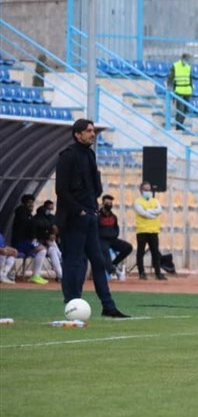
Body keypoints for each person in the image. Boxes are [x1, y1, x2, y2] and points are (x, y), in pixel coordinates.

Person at [55, 119, 129, 317]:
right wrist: (78, 210)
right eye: (88, 131)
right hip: (73, 218)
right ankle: (72, 304)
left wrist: (92, 207)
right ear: (77, 134)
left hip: (90, 217)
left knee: (98, 261)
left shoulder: (90, 155)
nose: (93, 134)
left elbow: (94, 189)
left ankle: (108, 306)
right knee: (74, 262)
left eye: (93, 130)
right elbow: (61, 190)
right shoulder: (67, 156)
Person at [11, 194, 49, 284]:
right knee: (42, 250)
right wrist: (33, 238)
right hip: (20, 242)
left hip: (26, 242)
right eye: (29, 203)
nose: (31, 205)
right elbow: (28, 227)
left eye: (32, 203)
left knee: (43, 249)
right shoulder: (21, 213)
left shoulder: (28, 214)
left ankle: (36, 275)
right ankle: (35, 275)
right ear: (24, 203)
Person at [133, 181, 167, 280]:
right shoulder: (137, 201)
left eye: (149, 190)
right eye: (146, 190)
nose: (148, 192)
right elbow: (142, 213)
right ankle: (141, 273)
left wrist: (148, 211)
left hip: (153, 230)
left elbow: (159, 210)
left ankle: (158, 273)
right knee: (140, 252)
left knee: (155, 253)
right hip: (142, 230)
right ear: (141, 190)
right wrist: (153, 214)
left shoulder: (155, 201)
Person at [98, 194, 133, 278]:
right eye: (107, 203)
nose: (109, 205)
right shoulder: (98, 216)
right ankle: (111, 271)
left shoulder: (114, 217)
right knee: (105, 250)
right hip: (101, 240)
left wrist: (114, 235)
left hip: (112, 239)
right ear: (103, 203)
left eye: (110, 203)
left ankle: (114, 263)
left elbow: (116, 229)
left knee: (128, 247)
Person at [33, 199, 63, 282]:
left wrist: (54, 233)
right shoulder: (37, 218)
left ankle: (61, 275)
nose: (50, 211)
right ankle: (61, 257)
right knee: (50, 243)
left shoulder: (51, 217)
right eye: (49, 209)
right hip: (38, 244)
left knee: (53, 250)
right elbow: (39, 233)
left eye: (51, 209)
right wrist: (49, 235)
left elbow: (55, 228)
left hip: (48, 244)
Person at [166, 52, 193, 131]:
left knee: (186, 110)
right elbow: (170, 77)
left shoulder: (188, 67)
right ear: (182, 58)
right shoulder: (175, 66)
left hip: (187, 91)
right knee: (180, 109)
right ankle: (179, 126)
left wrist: (191, 89)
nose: (188, 61)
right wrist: (170, 86)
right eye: (187, 59)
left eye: (188, 59)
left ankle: (180, 124)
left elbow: (190, 79)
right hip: (179, 90)